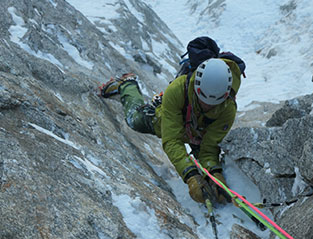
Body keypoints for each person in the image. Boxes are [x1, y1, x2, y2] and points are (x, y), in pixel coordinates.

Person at [99, 57, 242, 205]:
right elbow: (172, 139)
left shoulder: (228, 108)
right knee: (134, 120)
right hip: (172, 121)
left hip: (199, 134)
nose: (206, 106)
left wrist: (214, 174)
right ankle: (127, 85)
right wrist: (191, 175)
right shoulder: (177, 90)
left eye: (212, 104)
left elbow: (210, 148)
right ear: (196, 88)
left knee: (208, 167)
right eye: (202, 100)